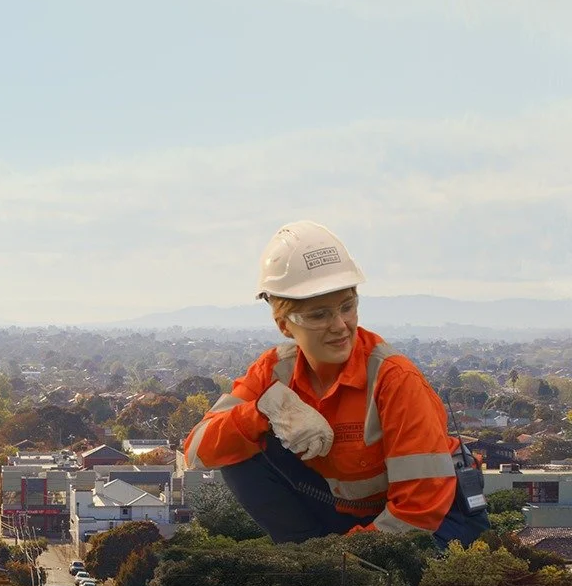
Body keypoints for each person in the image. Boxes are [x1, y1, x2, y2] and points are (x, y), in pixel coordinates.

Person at [181, 221, 488, 546]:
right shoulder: (273, 373)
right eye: (319, 315)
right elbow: (198, 451)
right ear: (284, 325)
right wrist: (261, 413)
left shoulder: (394, 379)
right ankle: (304, 557)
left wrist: (336, 557)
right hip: (351, 513)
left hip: (438, 519)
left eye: (347, 307)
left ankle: (319, 566)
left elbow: (419, 511)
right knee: (237, 449)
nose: (340, 325)